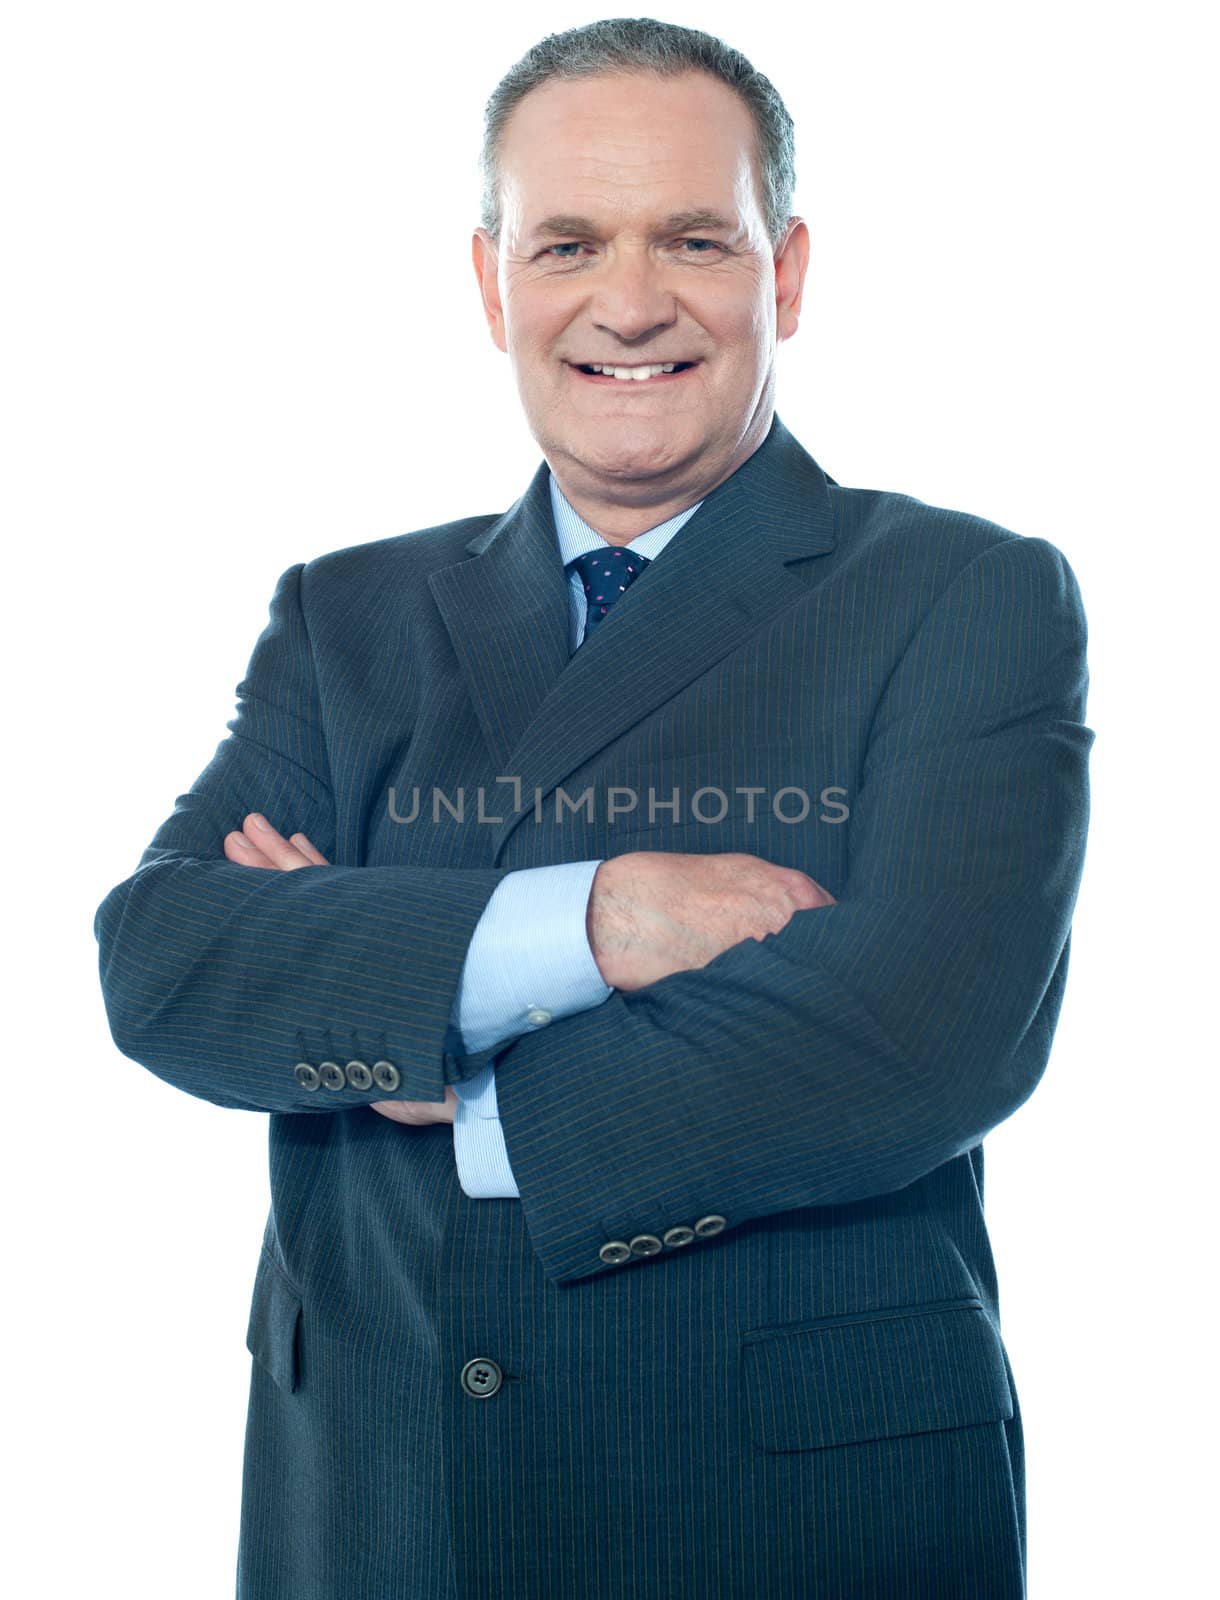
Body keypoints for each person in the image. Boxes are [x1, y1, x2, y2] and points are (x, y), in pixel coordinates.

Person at [93, 17, 1093, 1599]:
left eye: (695, 238)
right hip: (378, 1488)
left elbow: (915, 1038)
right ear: (494, 283)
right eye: (568, 242)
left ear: (789, 272)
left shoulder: (960, 592)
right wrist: (598, 920)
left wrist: (448, 1064)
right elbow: (170, 965)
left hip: (784, 1507)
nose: (630, 304)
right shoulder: (346, 615)